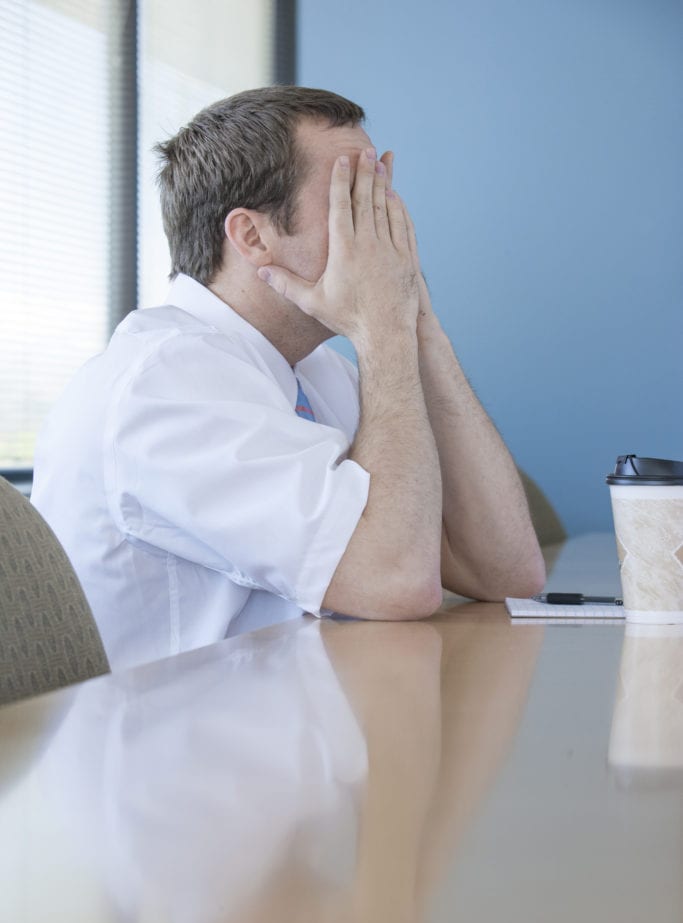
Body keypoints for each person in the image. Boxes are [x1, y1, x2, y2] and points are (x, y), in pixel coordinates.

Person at [31, 85, 545, 671]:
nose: (382, 231)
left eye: (380, 200)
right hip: (181, 751)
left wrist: (418, 325)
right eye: (351, 201)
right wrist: (385, 329)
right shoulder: (166, 381)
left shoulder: (318, 370)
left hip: (297, 722)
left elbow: (508, 572)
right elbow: (395, 581)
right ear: (252, 237)